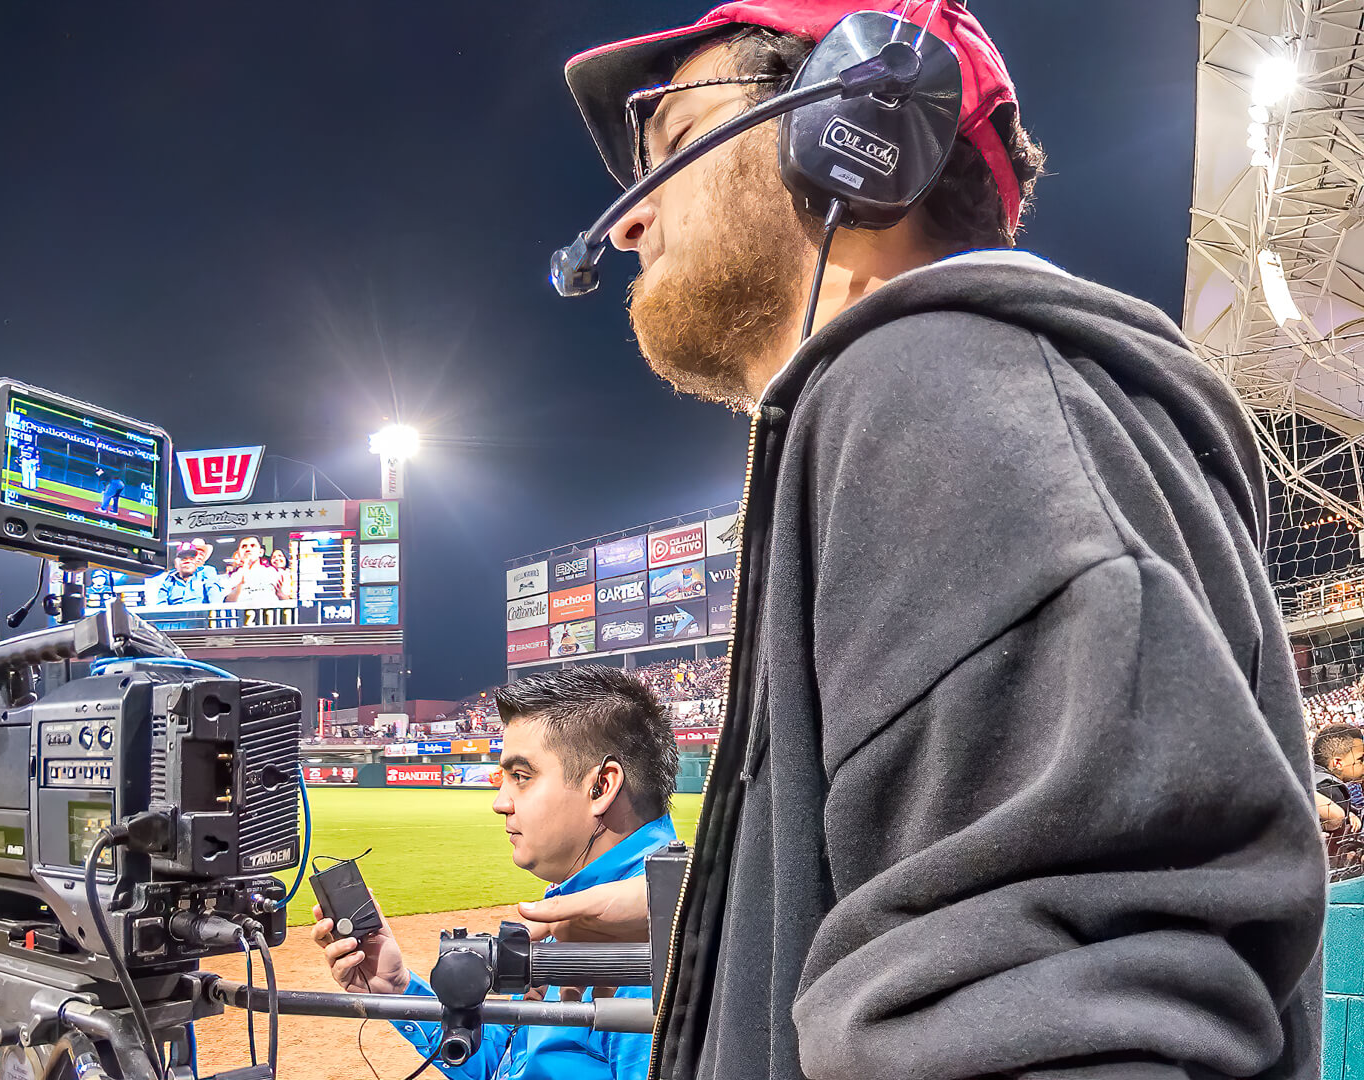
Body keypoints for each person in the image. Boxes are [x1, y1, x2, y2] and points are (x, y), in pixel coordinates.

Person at [526, 4, 1326, 1077]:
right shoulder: (953, 408)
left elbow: (1056, 1026)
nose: (625, 221)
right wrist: (627, 919)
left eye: (672, 144)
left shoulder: (933, 391)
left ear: (858, 124)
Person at [310, 667, 679, 1080]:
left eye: (521, 777)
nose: (500, 802)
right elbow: (508, 1063)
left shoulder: (652, 944)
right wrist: (399, 991)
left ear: (602, 786)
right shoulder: (591, 904)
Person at [144, 544, 224, 607]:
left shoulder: (206, 572)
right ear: (177, 563)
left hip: (201, 622)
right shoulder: (169, 580)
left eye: (191, 558)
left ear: (196, 562)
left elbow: (214, 597)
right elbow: (161, 604)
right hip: (175, 623)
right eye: (184, 559)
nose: (188, 561)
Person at [222, 537, 282, 604]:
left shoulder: (272, 572)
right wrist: (240, 584)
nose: (248, 549)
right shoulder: (232, 577)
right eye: (244, 547)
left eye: (253, 546)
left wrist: (280, 594)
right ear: (238, 554)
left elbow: (287, 600)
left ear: (260, 552)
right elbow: (228, 603)